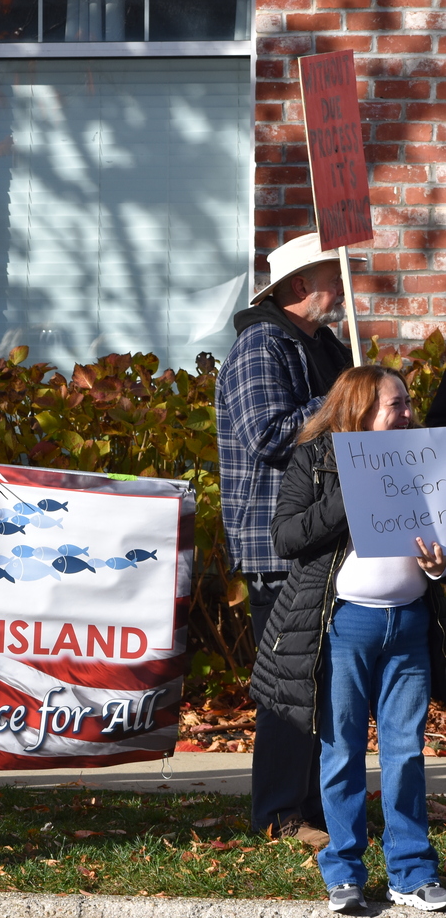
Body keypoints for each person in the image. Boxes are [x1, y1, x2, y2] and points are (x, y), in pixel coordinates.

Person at [252, 366, 446, 913]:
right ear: (360, 407)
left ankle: (412, 871)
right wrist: (351, 495)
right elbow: (287, 536)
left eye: (407, 402)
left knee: (405, 753)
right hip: (344, 627)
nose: (407, 413)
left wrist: (438, 568)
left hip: (409, 624)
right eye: (395, 404)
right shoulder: (316, 458)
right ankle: (344, 871)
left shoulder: (424, 459)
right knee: (341, 752)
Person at [215, 232, 359, 844]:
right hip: (278, 546)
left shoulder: (326, 346)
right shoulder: (260, 347)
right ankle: (279, 813)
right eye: (332, 276)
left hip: (330, 539)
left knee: (326, 679)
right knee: (288, 681)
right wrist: (345, 402)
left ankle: (318, 806)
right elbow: (269, 434)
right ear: (300, 286)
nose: (342, 288)